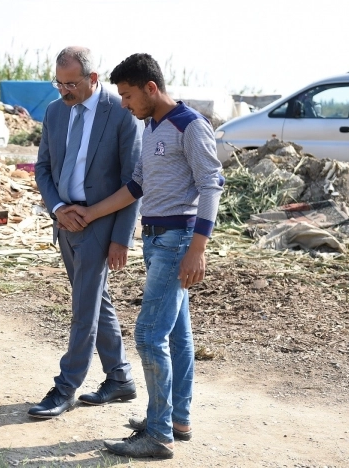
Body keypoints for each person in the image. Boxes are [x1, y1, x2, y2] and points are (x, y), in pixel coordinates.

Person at [74, 53, 223, 458]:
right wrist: (91, 213)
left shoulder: (190, 126)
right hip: (157, 241)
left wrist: (197, 249)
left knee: (147, 335)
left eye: (126, 95)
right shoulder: (152, 126)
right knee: (176, 334)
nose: (123, 103)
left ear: (150, 89)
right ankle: (176, 419)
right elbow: (136, 186)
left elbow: (211, 186)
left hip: (179, 240)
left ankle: (157, 435)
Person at [30, 46, 142, 419]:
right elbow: (43, 168)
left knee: (83, 308)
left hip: (100, 224)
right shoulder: (54, 111)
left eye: (71, 84)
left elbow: (133, 182)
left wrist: (121, 238)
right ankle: (120, 377)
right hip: (66, 223)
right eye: (59, 83)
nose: (64, 90)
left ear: (93, 79)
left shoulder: (121, 115)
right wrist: (59, 209)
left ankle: (66, 387)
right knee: (95, 300)